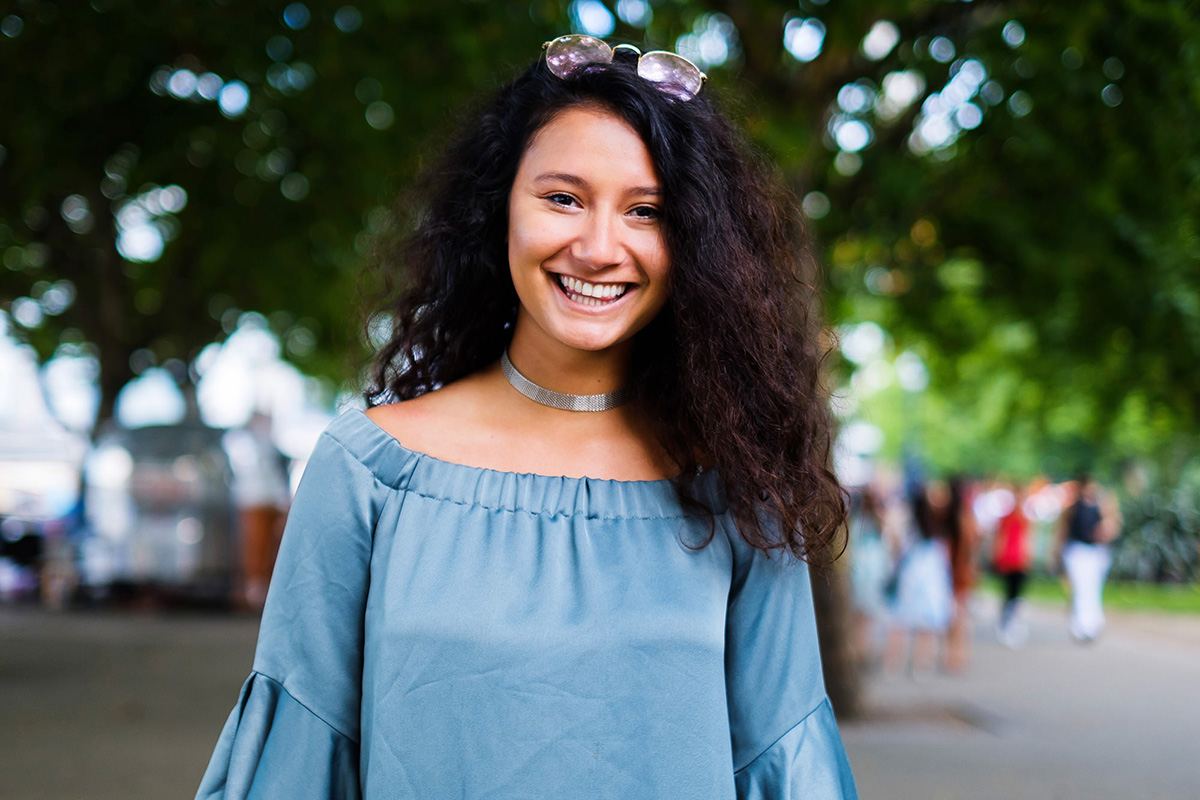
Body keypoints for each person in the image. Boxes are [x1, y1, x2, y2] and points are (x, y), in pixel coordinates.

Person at [196, 35, 858, 799]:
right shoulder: (368, 472)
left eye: (646, 211)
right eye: (563, 198)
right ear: (497, 208)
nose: (599, 246)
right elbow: (300, 765)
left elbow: (784, 764)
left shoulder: (739, 488)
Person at [883, 483, 954, 676]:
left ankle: (892, 664)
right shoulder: (936, 527)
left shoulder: (908, 527)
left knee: (900, 623)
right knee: (927, 627)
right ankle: (922, 665)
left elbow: (895, 550)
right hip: (931, 580)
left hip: (909, 580)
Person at [1056, 473, 1121, 643]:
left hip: (1093, 553)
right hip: (1077, 552)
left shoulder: (1100, 507)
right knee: (1079, 589)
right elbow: (1063, 532)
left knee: (1092, 589)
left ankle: (1092, 623)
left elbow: (1111, 526)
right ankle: (1080, 624)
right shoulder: (1072, 508)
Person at [992, 482, 1033, 647]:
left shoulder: (1025, 518)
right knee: (1008, 592)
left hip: (1020, 560)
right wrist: (997, 556)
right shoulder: (1006, 517)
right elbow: (1001, 538)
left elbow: (1027, 539)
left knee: (1017, 594)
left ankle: (1012, 620)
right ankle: (1005, 620)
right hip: (1008, 559)